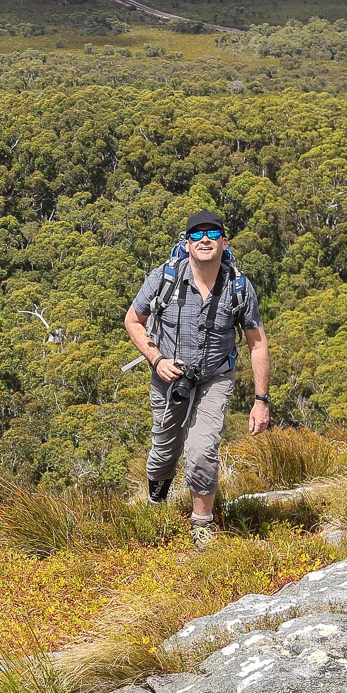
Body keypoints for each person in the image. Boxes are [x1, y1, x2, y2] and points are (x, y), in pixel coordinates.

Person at [123, 209, 272, 547]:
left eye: (213, 233)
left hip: (215, 378)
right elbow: (133, 320)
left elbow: (257, 344)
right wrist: (156, 359)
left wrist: (261, 401)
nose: (205, 239)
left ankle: (201, 525)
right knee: (164, 452)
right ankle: (156, 505)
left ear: (224, 241)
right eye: (196, 234)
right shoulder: (165, 278)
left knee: (202, 450)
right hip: (169, 378)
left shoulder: (238, 287)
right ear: (187, 243)